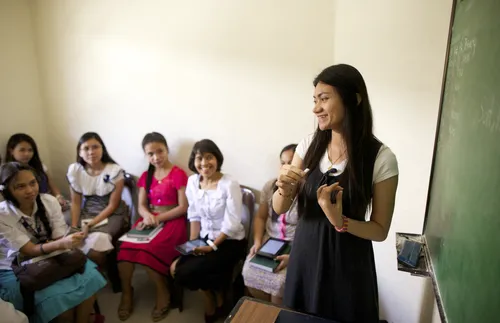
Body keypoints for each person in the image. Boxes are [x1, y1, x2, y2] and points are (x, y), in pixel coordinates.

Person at [272, 64, 399, 322]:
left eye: (324, 99)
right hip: (305, 258)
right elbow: (279, 207)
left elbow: (379, 230)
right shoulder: (309, 144)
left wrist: (340, 221)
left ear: (354, 99)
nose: (316, 108)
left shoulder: (380, 158)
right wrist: (283, 188)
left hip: (348, 267)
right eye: (315, 100)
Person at [0, 162, 106, 323]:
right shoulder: (3, 214)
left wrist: (69, 240)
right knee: (63, 308)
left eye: (32, 183)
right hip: (16, 265)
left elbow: (57, 238)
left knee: (90, 281)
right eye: (20, 186)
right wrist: (63, 243)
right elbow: (29, 250)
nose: (30, 190)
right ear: (7, 190)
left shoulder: (48, 201)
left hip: (49, 254)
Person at [170, 139, 247, 323]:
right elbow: (194, 215)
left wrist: (211, 247)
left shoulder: (229, 184)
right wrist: (192, 244)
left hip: (229, 241)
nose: (204, 163)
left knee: (191, 271)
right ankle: (211, 296)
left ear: (217, 159)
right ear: (193, 161)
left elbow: (232, 223)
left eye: (209, 157)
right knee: (175, 269)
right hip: (204, 237)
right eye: (199, 158)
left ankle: (214, 301)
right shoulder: (192, 182)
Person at [117, 132, 189, 322]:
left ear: (167, 150)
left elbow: (183, 207)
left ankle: (162, 292)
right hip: (150, 220)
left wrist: (160, 218)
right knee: (125, 250)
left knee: (150, 250)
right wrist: (148, 215)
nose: (156, 157)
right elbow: (141, 205)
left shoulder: (178, 174)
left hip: (173, 221)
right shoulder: (145, 176)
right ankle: (126, 293)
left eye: (160, 151)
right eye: (150, 154)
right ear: (145, 155)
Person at [242, 144, 299, 304]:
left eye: (291, 163)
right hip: (269, 240)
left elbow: (310, 232)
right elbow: (260, 217)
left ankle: (276, 312)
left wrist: (294, 257)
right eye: (283, 163)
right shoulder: (270, 186)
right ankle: (267, 311)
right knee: (248, 272)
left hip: (294, 244)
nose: (286, 167)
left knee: (280, 282)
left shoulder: (307, 191)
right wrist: (258, 242)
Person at [67, 132, 130, 267]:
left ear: (102, 148)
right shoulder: (75, 170)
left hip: (112, 213)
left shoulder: (114, 171)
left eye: (95, 147)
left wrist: (89, 225)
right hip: (88, 211)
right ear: (79, 151)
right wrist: (74, 226)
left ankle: (98, 273)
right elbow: (76, 202)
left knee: (96, 249)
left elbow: (112, 206)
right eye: (86, 148)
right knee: (72, 242)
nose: (91, 152)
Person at [4, 133, 68, 210]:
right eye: (22, 150)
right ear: (11, 151)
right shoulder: (6, 173)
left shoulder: (40, 166)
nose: (27, 154)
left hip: (49, 201)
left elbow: (52, 185)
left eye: (30, 150)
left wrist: (59, 197)